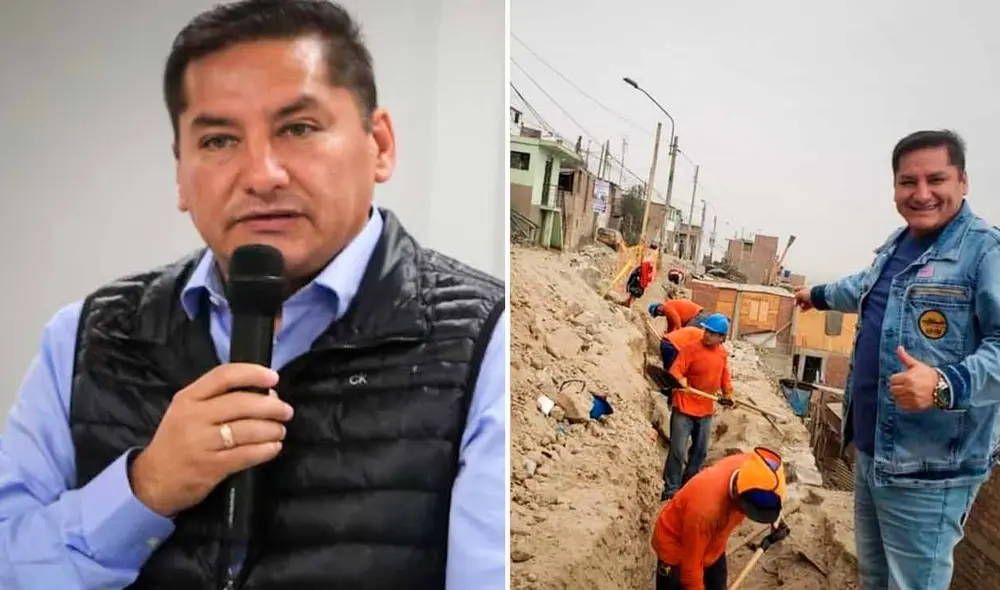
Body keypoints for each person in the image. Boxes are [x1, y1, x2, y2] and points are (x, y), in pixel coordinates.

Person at [0, 2, 506, 589]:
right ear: (181, 173)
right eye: (218, 139)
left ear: (381, 145)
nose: (262, 174)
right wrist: (144, 490)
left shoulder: (483, 344)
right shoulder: (84, 339)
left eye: (298, 128)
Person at [794, 129, 1000, 590]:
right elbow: (864, 288)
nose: (921, 193)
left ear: (963, 181)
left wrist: (946, 383)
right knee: (876, 578)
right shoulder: (896, 245)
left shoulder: (985, 252)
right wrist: (818, 295)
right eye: (908, 182)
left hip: (929, 471)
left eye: (936, 179)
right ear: (895, 189)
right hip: (872, 453)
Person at [651, 447, 790, 590]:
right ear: (737, 494)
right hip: (676, 545)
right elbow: (690, 569)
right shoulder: (705, 510)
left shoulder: (755, 467)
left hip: (714, 541)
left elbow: (773, 489)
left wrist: (776, 519)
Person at [661, 313, 735, 501]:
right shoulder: (690, 349)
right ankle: (671, 490)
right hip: (684, 406)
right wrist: (681, 379)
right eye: (706, 331)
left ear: (721, 338)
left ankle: (688, 488)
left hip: (705, 410)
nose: (707, 335)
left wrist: (728, 394)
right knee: (677, 450)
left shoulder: (721, 355)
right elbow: (675, 369)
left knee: (700, 452)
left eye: (712, 333)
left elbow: (724, 377)